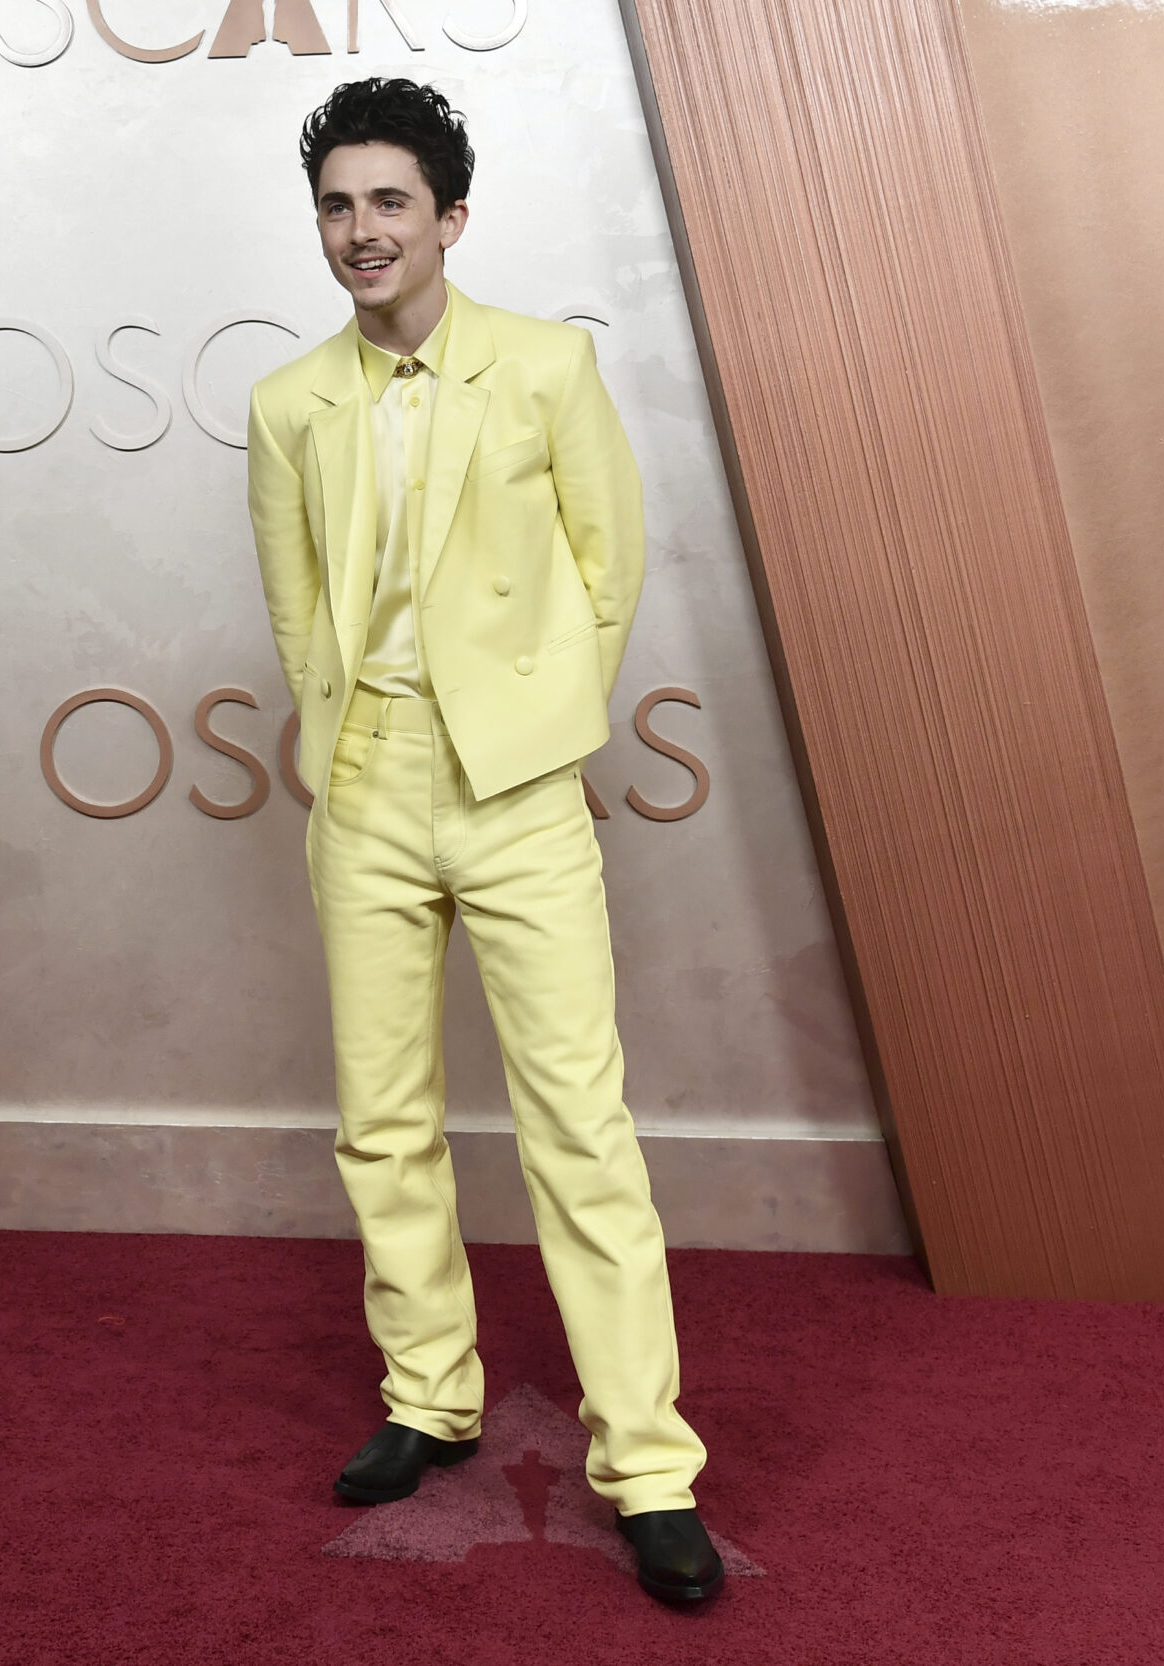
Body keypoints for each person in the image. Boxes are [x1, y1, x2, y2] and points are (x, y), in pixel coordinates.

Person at [243, 77, 722, 1607]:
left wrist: (535, 727)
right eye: (337, 203)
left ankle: (647, 1464)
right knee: (382, 1117)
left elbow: (608, 562)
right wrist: (338, 751)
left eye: (390, 201)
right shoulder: (288, 403)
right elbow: (298, 605)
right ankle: (428, 1395)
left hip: (514, 788)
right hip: (368, 786)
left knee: (580, 1124)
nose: (360, 229)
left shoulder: (545, 367)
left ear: (451, 217)